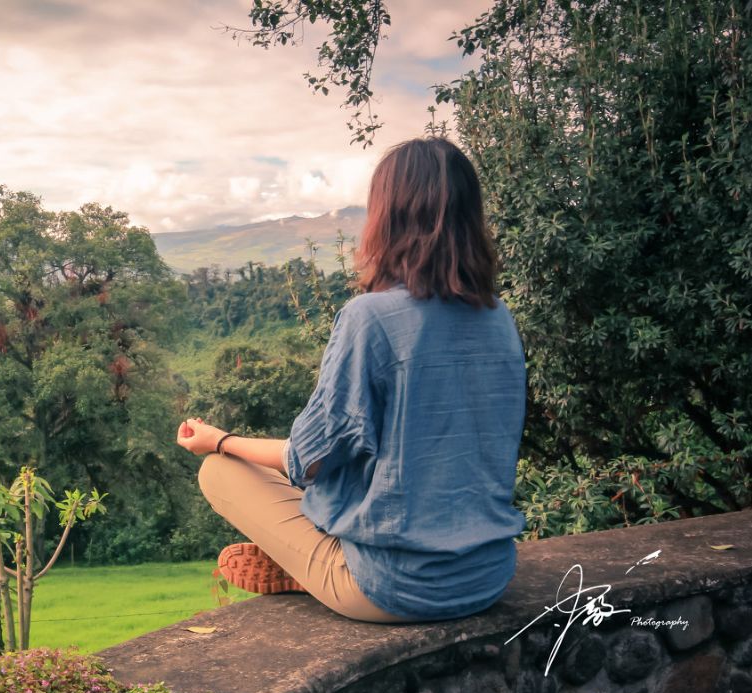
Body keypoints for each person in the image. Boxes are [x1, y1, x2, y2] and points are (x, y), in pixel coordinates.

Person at [175, 136, 528, 623]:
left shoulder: (371, 318)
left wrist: (221, 440)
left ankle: (316, 570)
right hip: (489, 575)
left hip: (394, 587)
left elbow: (306, 461)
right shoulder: (499, 318)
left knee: (220, 471)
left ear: (386, 217)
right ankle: (315, 565)